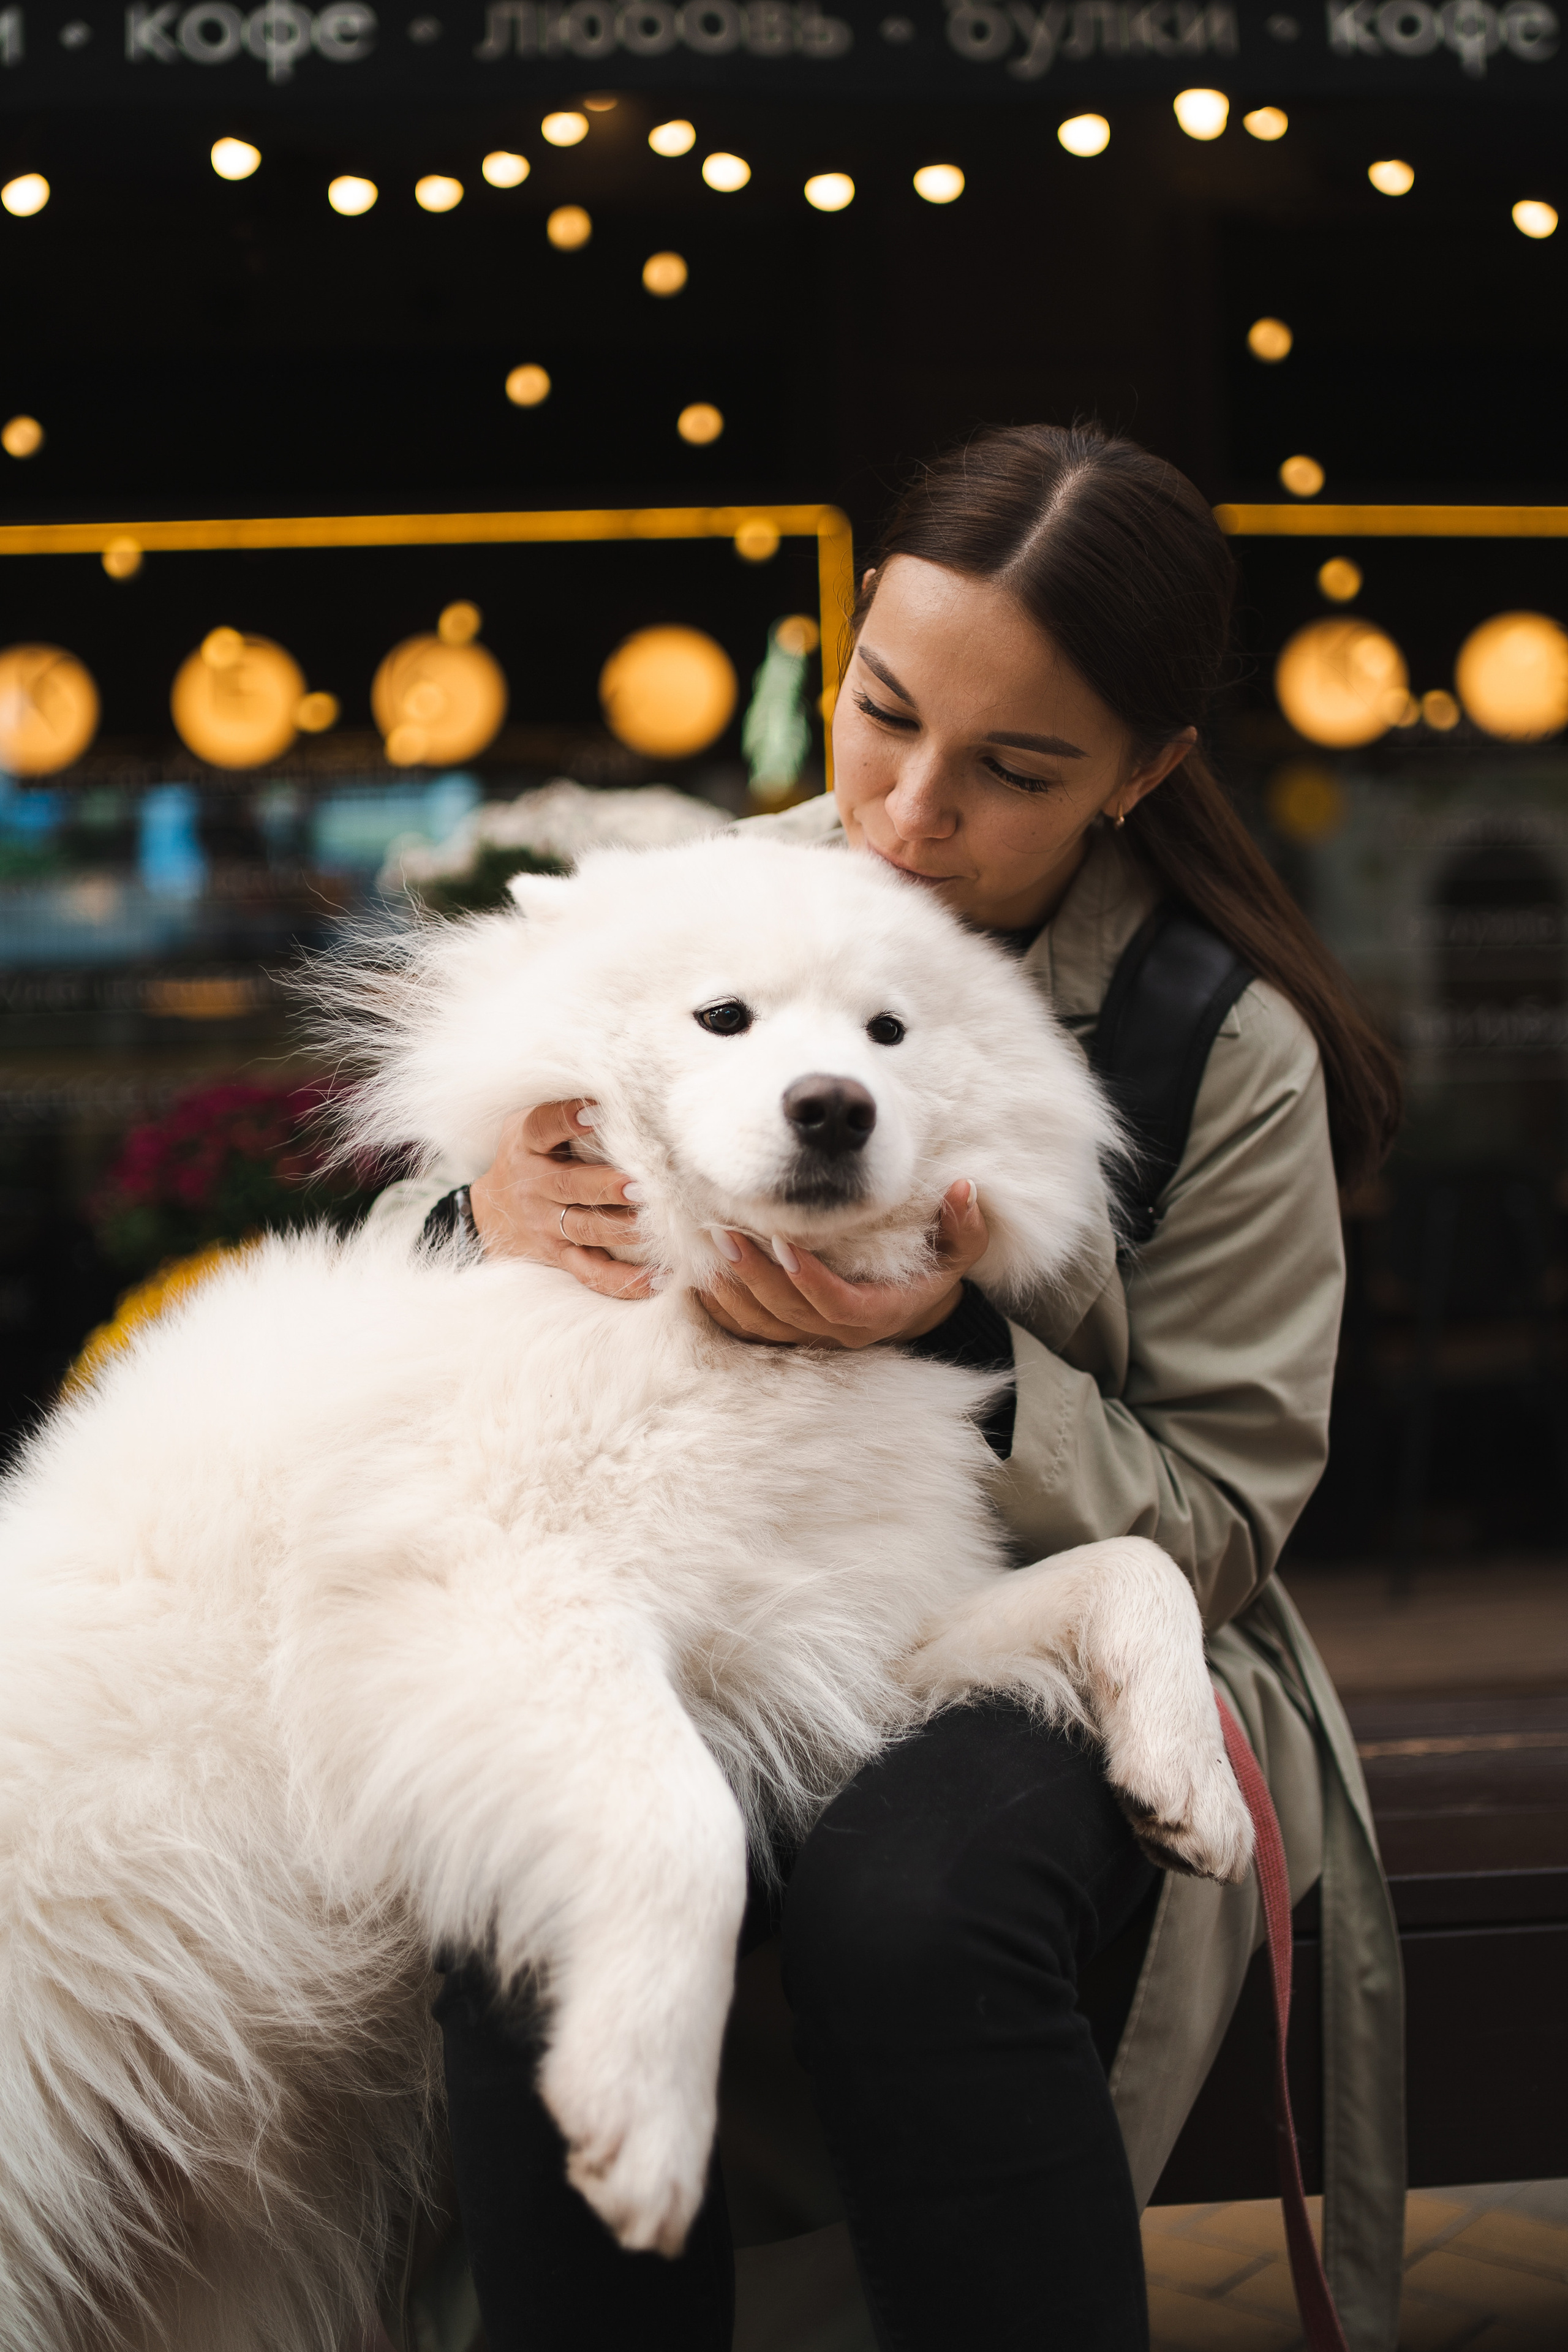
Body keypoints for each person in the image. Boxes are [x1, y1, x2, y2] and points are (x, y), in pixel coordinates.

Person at [374, 423, 1406, 2352]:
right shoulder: (682, 916)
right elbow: (425, 1329)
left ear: (1144, 775)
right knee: (538, 1889)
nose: (913, 812)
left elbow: (1230, 1516)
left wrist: (949, 1344)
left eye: (1015, 771)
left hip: (1044, 1629)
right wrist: (486, 1204)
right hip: (679, 1585)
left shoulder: (1217, 1040)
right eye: (881, 716)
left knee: (915, 1903)